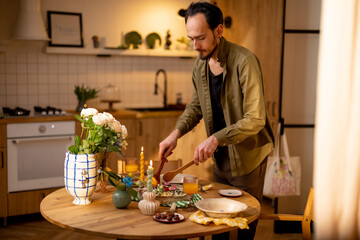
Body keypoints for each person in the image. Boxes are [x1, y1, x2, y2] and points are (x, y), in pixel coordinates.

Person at [158, 2, 274, 239]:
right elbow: (196, 106)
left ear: (219, 31)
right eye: (191, 38)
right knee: (216, 225)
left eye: (200, 38)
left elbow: (256, 119)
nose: (195, 46)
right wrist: (175, 134)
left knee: (244, 225)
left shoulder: (245, 61)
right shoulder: (200, 65)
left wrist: (215, 138)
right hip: (220, 158)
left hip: (248, 158)